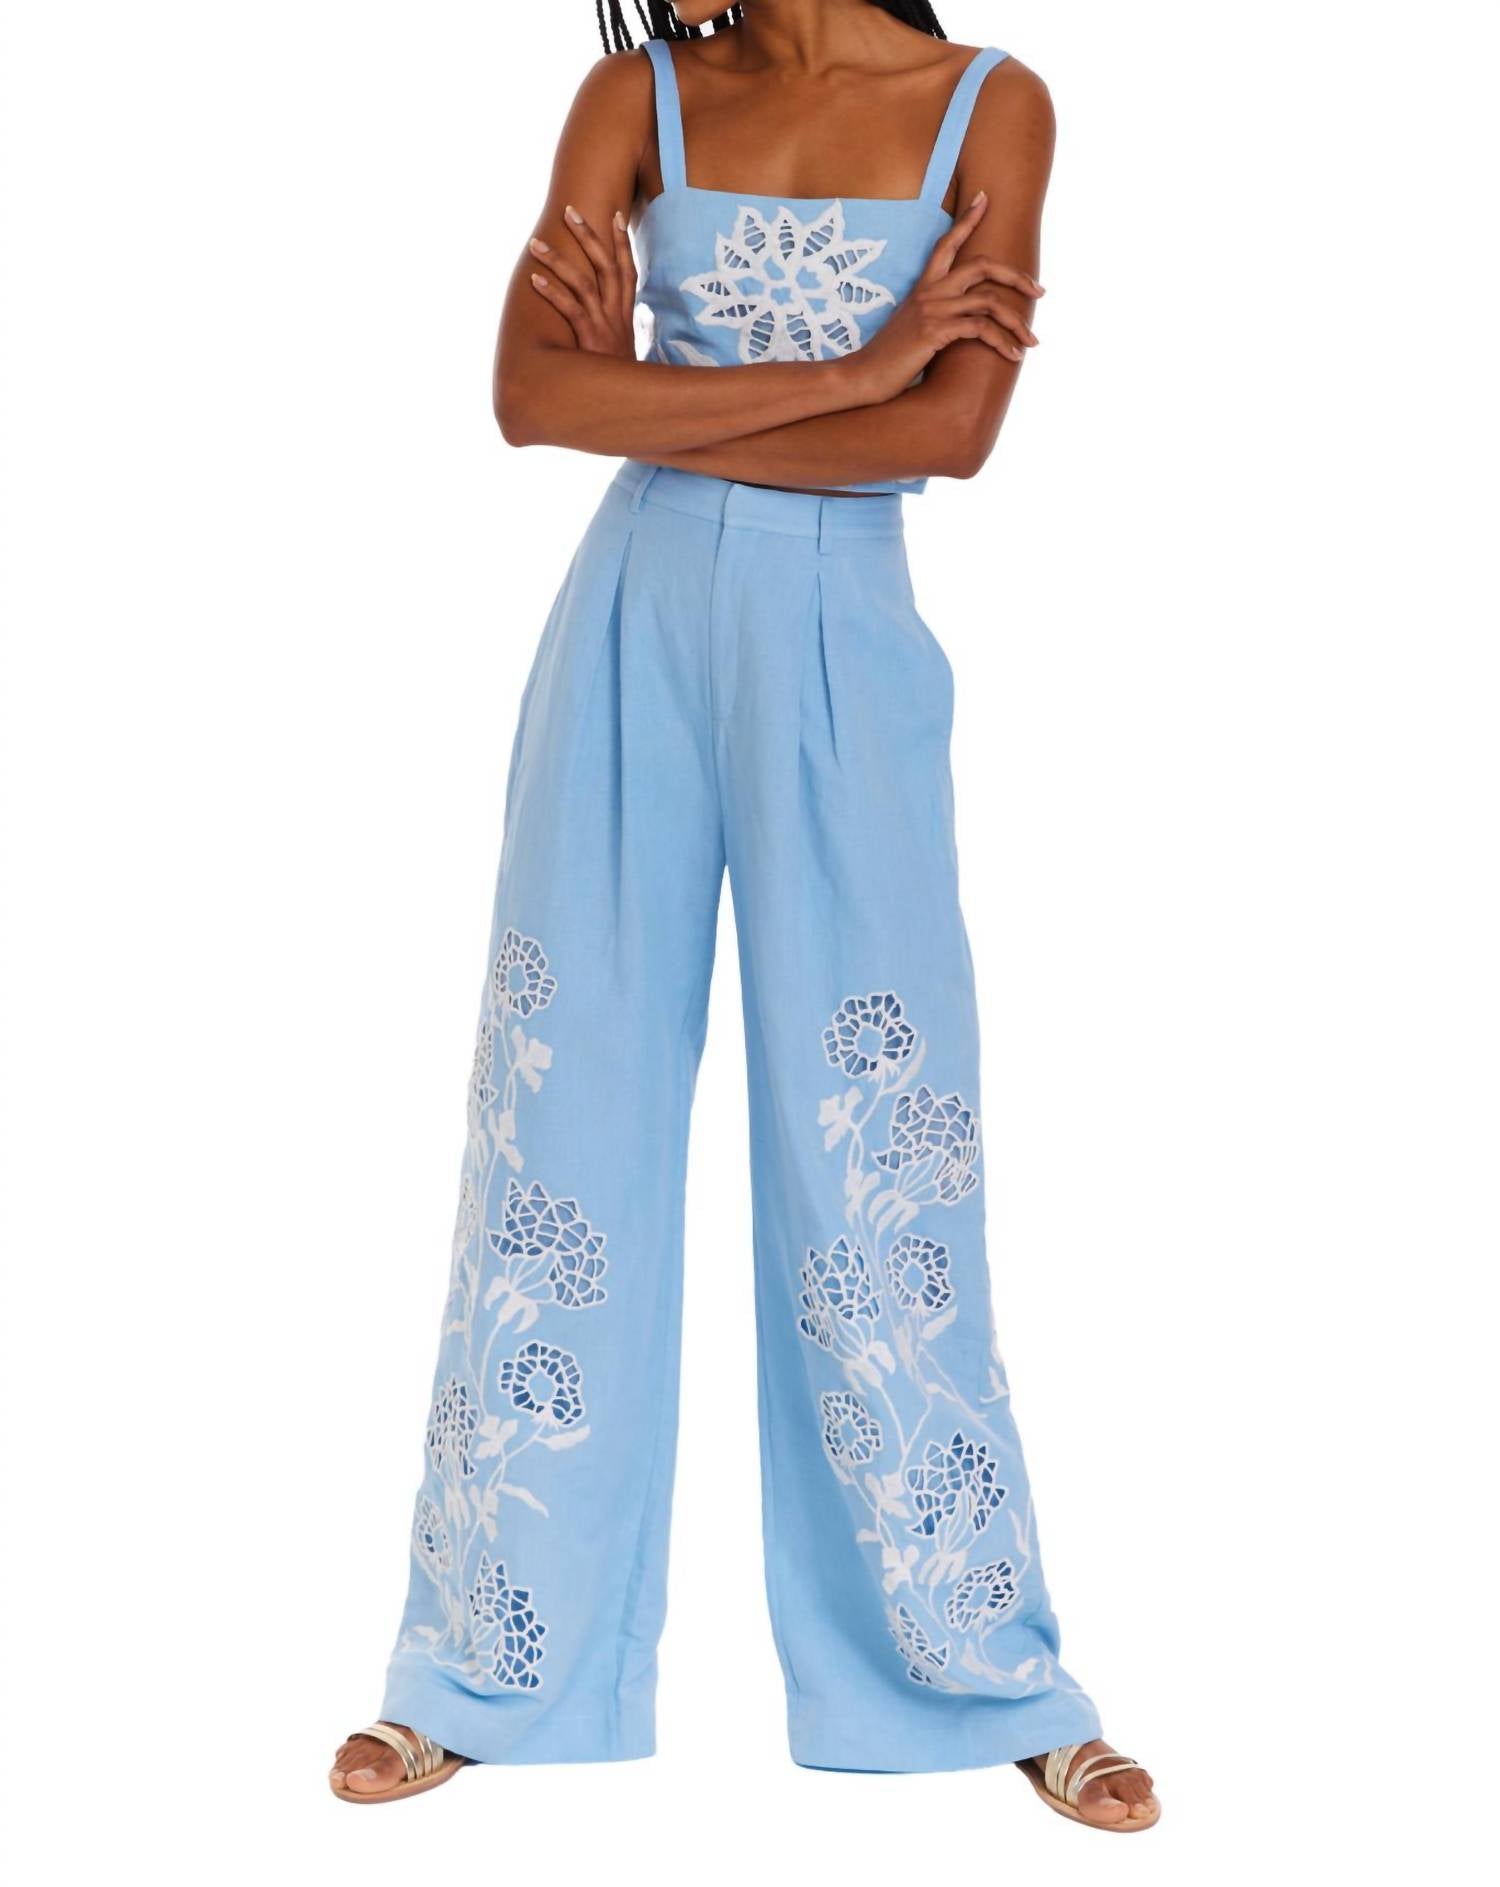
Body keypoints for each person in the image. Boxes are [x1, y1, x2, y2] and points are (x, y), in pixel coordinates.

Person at [329, 0, 1159, 1832]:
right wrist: (861, 372)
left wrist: (677, 398)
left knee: (879, 1153)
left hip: (844, 638)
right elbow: (532, 402)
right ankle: (482, 1666)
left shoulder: (992, 109)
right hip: (627, 626)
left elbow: (958, 434)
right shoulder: (631, 97)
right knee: (560, 1137)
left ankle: (977, 1671)